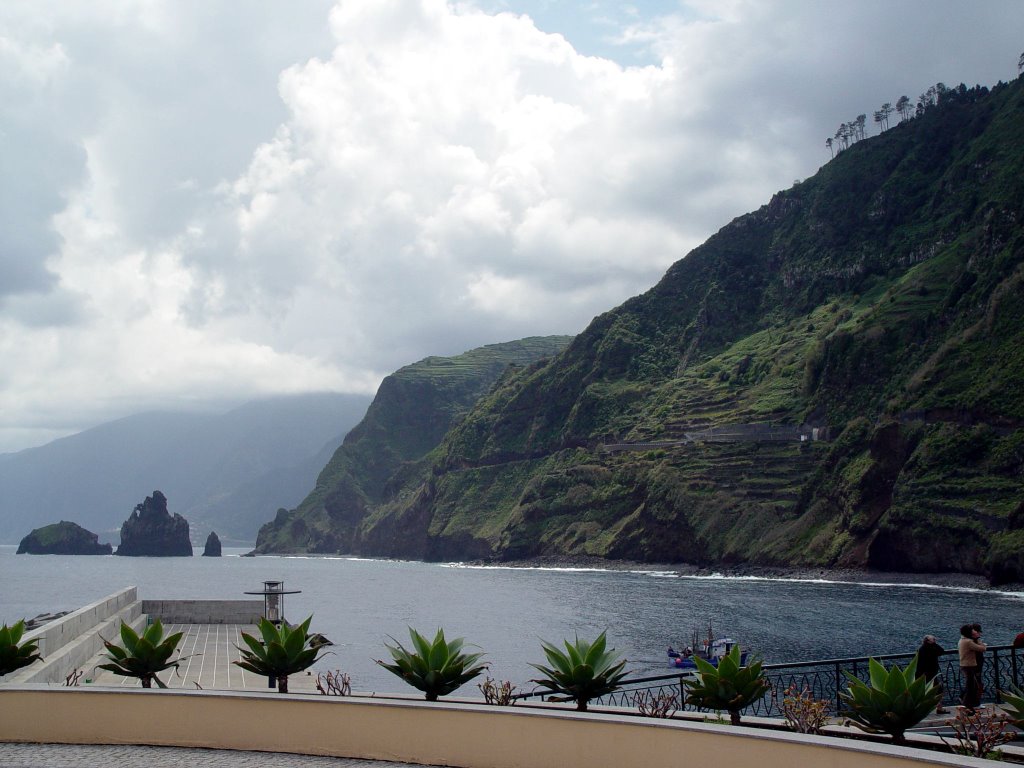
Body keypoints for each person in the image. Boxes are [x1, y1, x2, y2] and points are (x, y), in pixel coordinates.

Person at [958, 623, 986, 712]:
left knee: (971, 685)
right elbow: (982, 648)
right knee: (971, 686)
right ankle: (968, 706)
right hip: (969, 666)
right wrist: (978, 639)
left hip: (965, 665)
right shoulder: (969, 642)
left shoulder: (962, 640)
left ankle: (968, 704)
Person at [916, 634, 946, 714]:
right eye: (933, 639)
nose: (935, 640)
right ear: (928, 641)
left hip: (925, 674)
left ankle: (925, 708)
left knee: (927, 691)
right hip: (930, 673)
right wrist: (935, 644)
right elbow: (941, 651)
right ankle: (939, 708)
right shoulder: (930, 649)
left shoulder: (922, 649)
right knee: (939, 690)